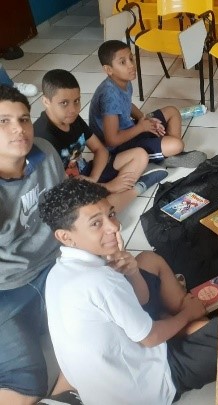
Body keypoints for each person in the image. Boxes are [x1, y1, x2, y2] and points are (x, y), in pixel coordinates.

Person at [38, 178, 218, 405]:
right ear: (65, 236)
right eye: (96, 224)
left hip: (120, 359)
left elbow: (140, 299)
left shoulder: (59, 272)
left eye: (111, 214)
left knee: (146, 260)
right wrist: (187, 314)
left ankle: (182, 324)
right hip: (148, 385)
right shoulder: (99, 279)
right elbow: (150, 339)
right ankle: (185, 324)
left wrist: (132, 271)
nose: (114, 227)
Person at [0, 84, 77, 404]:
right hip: (7, 288)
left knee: (113, 310)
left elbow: (65, 210)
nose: (19, 129)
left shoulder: (44, 152)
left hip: (55, 264)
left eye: (24, 119)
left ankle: (67, 389)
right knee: (27, 382)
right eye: (3, 121)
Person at [35, 69, 168, 212]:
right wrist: (108, 186)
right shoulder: (43, 138)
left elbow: (100, 150)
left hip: (87, 175)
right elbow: (55, 189)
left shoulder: (72, 118)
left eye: (77, 101)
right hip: (68, 189)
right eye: (64, 103)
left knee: (140, 155)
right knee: (95, 211)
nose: (73, 109)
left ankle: (110, 196)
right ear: (46, 102)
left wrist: (93, 179)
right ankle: (138, 188)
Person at [89, 40, 207, 169]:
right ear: (108, 69)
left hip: (129, 130)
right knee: (177, 145)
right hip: (116, 148)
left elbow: (126, 105)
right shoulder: (109, 95)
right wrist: (141, 128)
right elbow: (111, 140)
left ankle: (167, 154)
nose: (131, 65)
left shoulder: (123, 81)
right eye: (123, 62)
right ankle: (166, 154)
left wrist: (144, 119)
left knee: (172, 111)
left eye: (131, 59)